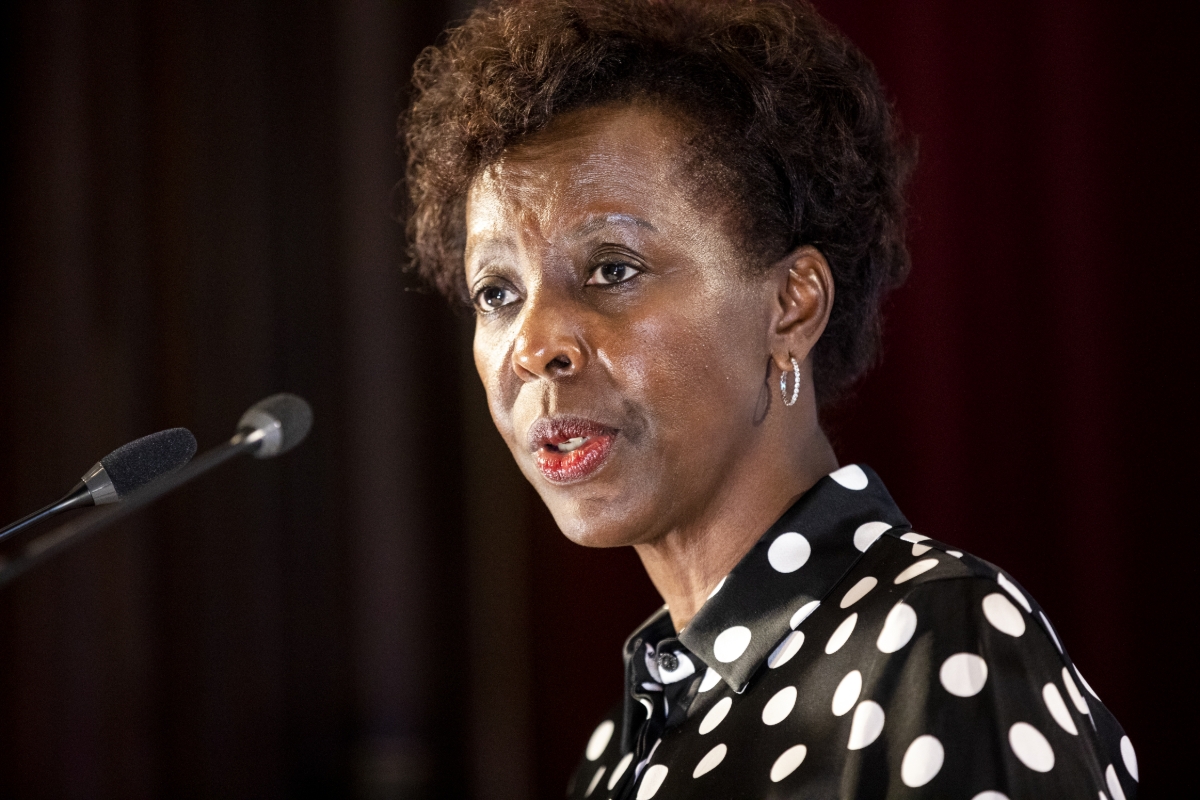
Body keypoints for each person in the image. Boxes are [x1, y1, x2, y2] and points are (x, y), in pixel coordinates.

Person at [401, 1, 1137, 797]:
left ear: (792, 305)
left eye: (613, 268)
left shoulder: (939, 642)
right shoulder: (618, 752)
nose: (534, 345)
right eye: (496, 292)